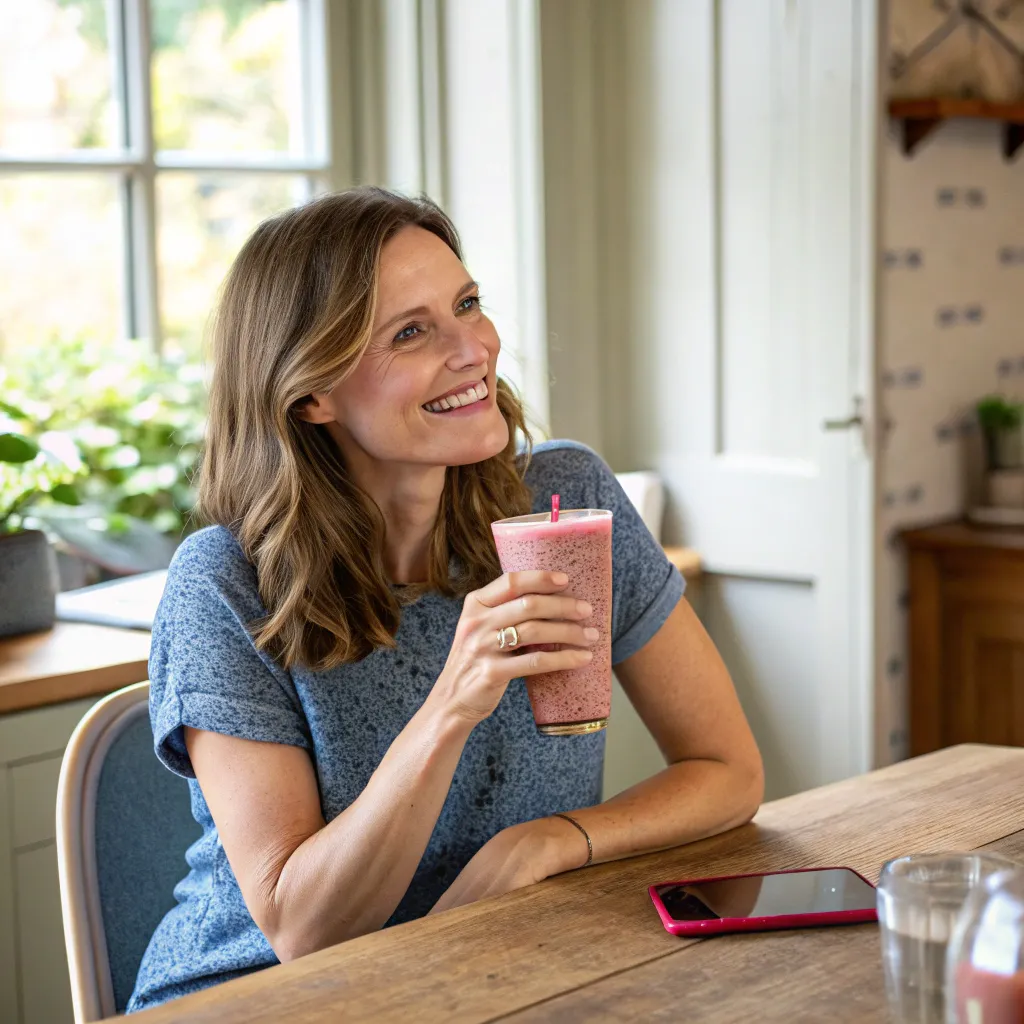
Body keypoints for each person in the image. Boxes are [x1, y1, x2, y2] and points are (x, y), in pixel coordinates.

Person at [127, 187, 763, 1012]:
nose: (475, 350)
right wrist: (453, 702)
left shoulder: (565, 504)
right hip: (264, 997)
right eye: (411, 331)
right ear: (312, 392)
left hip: (484, 976)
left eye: (468, 304)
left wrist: (547, 841)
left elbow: (729, 772)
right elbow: (303, 931)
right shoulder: (223, 586)